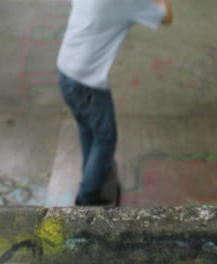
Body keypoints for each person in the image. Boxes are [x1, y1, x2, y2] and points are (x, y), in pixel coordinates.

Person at [56, 0, 173, 206]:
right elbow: (166, 17)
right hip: (87, 83)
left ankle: (92, 175)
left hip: (65, 71)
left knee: (87, 127)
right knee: (106, 138)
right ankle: (87, 199)